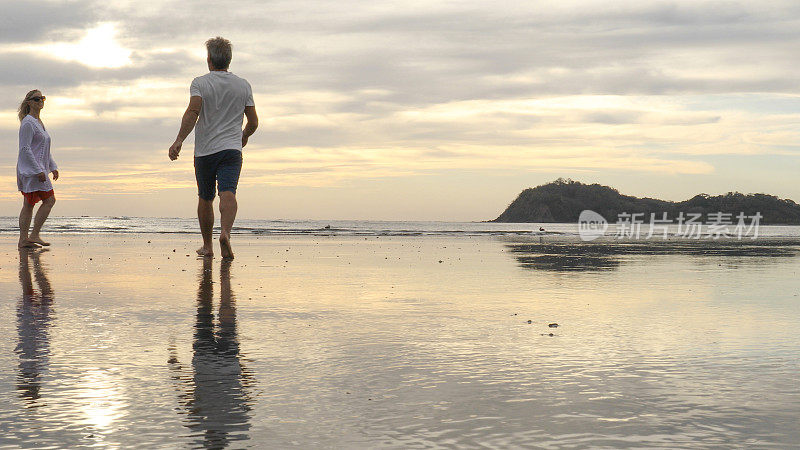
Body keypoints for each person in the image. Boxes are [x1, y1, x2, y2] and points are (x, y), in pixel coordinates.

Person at [169, 37, 258, 260]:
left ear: (209, 59)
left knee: (206, 197)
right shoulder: (243, 85)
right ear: (229, 60)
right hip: (231, 150)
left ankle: (208, 246)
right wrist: (243, 136)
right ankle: (225, 234)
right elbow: (254, 122)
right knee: (228, 191)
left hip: (205, 151)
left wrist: (179, 139)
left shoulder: (200, 83)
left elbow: (193, 112)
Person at [17, 90, 59, 249]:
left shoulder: (38, 122)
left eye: (42, 98)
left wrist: (53, 167)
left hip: (39, 169)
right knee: (49, 200)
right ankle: (33, 235)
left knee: (28, 204)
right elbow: (25, 149)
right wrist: (37, 170)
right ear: (29, 102)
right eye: (36, 99)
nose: (40, 101)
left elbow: (44, 149)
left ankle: (24, 240)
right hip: (31, 170)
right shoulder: (28, 123)